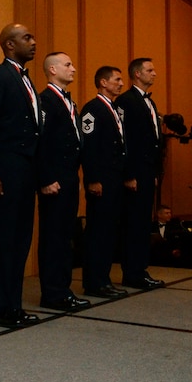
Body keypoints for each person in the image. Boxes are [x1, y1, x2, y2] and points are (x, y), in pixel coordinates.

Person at [0, 24, 41, 327]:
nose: (33, 42)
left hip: (26, 173)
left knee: (20, 240)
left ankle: (12, 305)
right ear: (9, 45)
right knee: (3, 240)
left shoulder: (27, 81)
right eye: (27, 38)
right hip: (5, 172)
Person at [36, 53, 91, 312]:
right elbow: (42, 142)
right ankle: (53, 293)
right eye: (68, 65)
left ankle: (63, 289)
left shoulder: (69, 102)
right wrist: (46, 178)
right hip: (54, 178)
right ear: (52, 69)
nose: (74, 68)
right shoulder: (45, 100)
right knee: (54, 236)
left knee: (66, 235)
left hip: (69, 177)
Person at [114, 57, 166, 290]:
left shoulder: (150, 103)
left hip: (148, 172)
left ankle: (140, 269)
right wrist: (129, 174)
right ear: (137, 74)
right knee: (134, 224)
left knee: (144, 222)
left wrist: (155, 172)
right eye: (149, 70)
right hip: (135, 172)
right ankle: (133, 272)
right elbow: (125, 141)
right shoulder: (126, 100)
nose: (154, 74)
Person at [79, 66, 130, 299]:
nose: (121, 83)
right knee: (98, 231)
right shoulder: (93, 109)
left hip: (114, 180)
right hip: (101, 181)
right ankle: (94, 281)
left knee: (109, 231)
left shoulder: (113, 109)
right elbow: (89, 147)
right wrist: (93, 179)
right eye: (117, 79)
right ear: (103, 82)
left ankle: (104, 278)